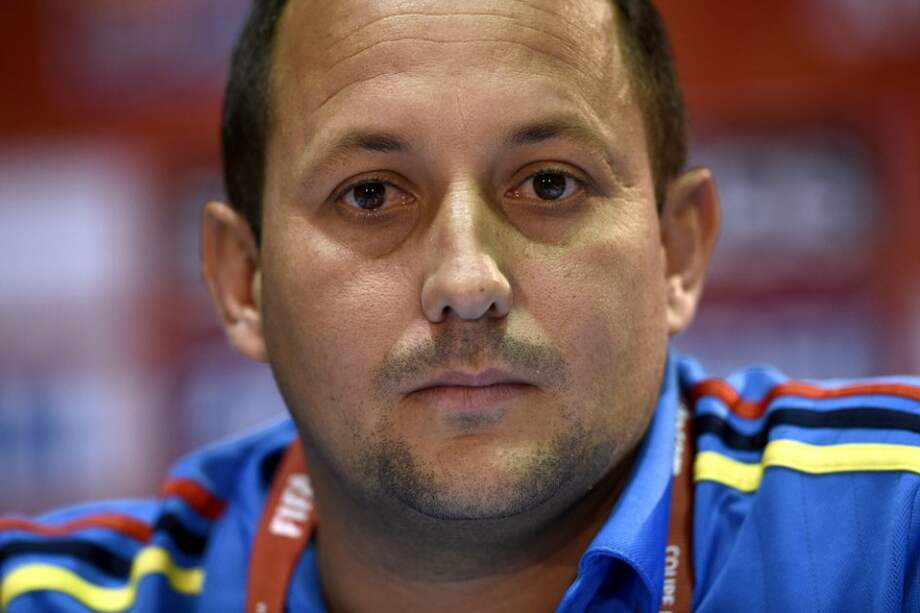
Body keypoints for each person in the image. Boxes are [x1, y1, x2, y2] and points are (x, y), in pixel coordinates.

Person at [1, 0, 918, 611]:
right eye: (370, 194)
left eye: (549, 183)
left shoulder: (893, 531)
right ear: (242, 282)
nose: (468, 283)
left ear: (677, 251)